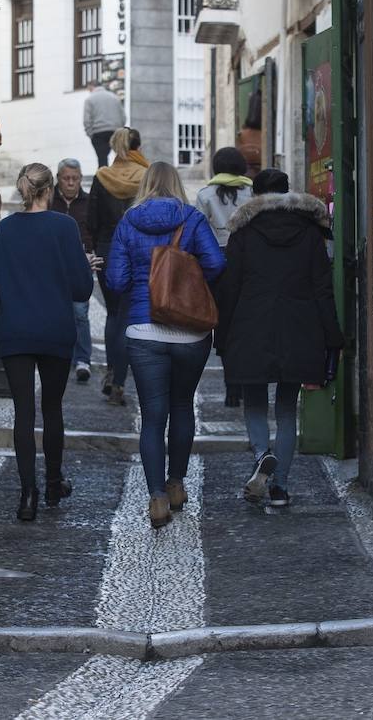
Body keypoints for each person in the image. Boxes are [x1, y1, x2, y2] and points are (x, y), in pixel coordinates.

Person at [105, 162, 225, 528]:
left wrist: (144, 282)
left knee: (153, 417)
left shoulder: (128, 222)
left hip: (144, 330)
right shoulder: (192, 218)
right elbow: (216, 263)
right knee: (182, 405)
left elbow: (116, 280)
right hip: (190, 332)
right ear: (176, 184)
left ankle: (156, 497)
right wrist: (188, 280)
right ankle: (176, 484)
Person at [216, 168, 344, 509]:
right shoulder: (310, 232)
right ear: (288, 193)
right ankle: (280, 488)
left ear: (255, 195)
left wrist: (222, 337)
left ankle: (262, 455)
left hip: (250, 326)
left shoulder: (243, 233)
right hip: (300, 327)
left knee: (255, 402)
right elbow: (322, 289)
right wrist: (332, 338)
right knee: (287, 408)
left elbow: (230, 288)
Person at [0, 163, 98, 521]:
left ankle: (27, 494)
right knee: (52, 408)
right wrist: (82, 266)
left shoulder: (5, 229)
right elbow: (82, 289)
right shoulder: (64, 227)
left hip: (16, 328)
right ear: (50, 190)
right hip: (55, 329)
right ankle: (52, 482)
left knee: (23, 412)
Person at [86, 127, 149, 407]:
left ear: (113, 147)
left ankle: (113, 371)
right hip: (137, 251)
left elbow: (92, 220)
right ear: (138, 146)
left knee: (113, 314)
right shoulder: (146, 176)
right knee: (128, 315)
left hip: (108, 249)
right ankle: (120, 382)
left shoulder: (102, 176)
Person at [195, 146, 255, 409]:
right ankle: (245, 380)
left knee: (225, 324)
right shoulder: (252, 192)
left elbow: (198, 230)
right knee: (246, 323)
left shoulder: (205, 194)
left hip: (217, 262)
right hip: (248, 260)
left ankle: (231, 384)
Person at [50, 158, 95, 383]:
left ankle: (83, 359)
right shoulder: (49, 200)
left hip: (80, 262)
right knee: (54, 309)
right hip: (53, 262)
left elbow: (94, 230)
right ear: (58, 178)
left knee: (79, 311)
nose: (70, 183)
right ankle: (56, 354)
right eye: (66, 178)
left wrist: (91, 253)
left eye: (75, 178)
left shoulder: (90, 202)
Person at [83, 80, 126, 168]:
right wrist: (119, 129)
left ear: (91, 87)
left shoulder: (89, 99)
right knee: (121, 158)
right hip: (115, 131)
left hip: (98, 132)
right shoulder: (114, 97)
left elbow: (87, 120)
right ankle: (122, 174)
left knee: (102, 160)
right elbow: (123, 117)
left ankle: (104, 176)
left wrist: (90, 134)